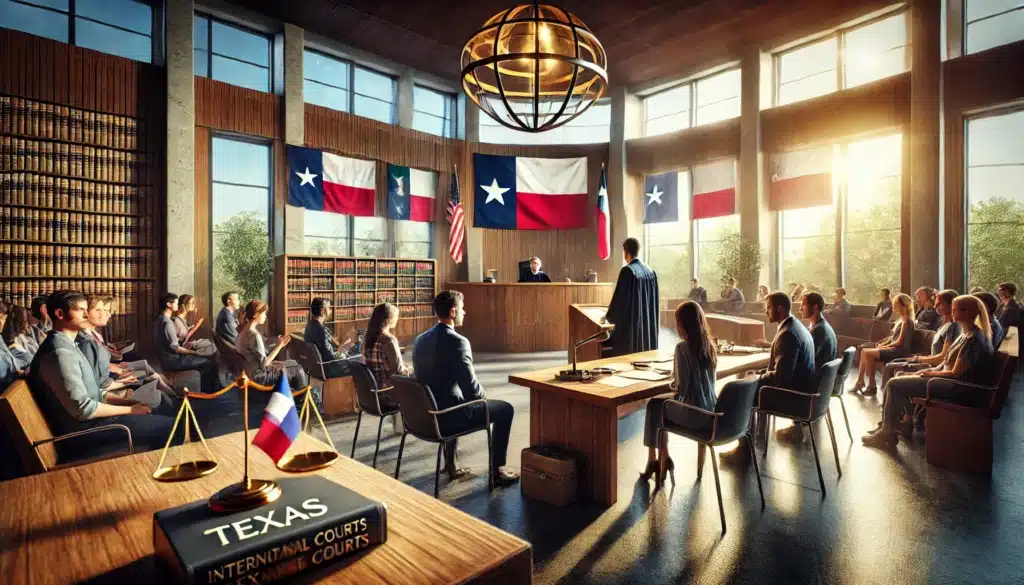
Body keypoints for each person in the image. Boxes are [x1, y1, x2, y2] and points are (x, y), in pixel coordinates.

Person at [27, 290, 181, 455]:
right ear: (59, 313)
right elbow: (84, 410)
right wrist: (130, 410)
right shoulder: (59, 353)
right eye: (80, 310)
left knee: (158, 412)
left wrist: (129, 403)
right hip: (82, 433)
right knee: (172, 428)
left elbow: (95, 393)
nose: (87, 314)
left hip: (91, 423)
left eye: (87, 309)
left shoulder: (69, 345)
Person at [413, 290, 519, 487]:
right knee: (505, 409)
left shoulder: (420, 340)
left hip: (424, 416)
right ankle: (496, 472)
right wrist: (483, 399)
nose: (465, 312)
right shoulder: (458, 342)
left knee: (451, 396)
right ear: (453, 312)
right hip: (449, 418)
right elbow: (472, 391)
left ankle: (450, 465)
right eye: (462, 309)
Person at [863, 295, 994, 449]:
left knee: (893, 384)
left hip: (957, 388)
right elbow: (946, 363)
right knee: (899, 375)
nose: (952, 311)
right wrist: (929, 369)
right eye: (952, 308)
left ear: (969, 312)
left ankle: (887, 433)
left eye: (956, 309)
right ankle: (895, 426)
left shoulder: (973, 340)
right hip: (948, 382)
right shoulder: (966, 334)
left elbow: (954, 373)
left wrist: (927, 374)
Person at [720, 292, 816, 463]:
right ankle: (755, 439)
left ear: (779, 309)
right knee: (751, 381)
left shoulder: (787, 334)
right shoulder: (796, 327)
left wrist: (757, 378)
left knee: (744, 391)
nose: (766, 312)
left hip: (794, 399)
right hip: (803, 392)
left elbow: (781, 379)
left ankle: (744, 450)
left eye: (769, 308)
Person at [640, 301, 717, 487]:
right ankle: (662, 458)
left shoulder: (682, 348)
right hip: (711, 413)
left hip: (693, 414)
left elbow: (681, 388)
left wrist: (671, 381)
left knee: (654, 405)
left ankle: (656, 459)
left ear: (683, 324)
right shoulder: (710, 346)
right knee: (658, 405)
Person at [77, 295, 174, 397]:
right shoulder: (85, 341)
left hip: (110, 375)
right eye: (98, 310)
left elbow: (99, 364)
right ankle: (175, 396)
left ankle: (173, 394)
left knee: (150, 373)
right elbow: (97, 380)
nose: (108, 315)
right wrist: (121, 376)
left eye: (106, 310)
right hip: (108, 381)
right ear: (86, 312)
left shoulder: (91, 336)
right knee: (151, 376)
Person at [882, 289, 960, 387]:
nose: (935, 306)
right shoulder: (942, 326)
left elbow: (942, 358)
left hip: (935, 367)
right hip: (932, 363)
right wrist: (921, 357)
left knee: (893, 368)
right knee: (894, 364)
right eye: (936, 302)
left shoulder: (953, 327)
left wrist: (918, 359)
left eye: (940, 303)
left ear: (951, 305)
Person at [603, 238, 659, 357]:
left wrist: (608, 316)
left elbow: (619, 302)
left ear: (626, 252)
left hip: (633, 330)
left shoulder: (628, 271)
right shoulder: (650, 271)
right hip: (646, 329)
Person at [235, 300, 308, 389]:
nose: (265, 316)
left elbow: (257, 353)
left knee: (292, 362)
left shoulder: (243, 332)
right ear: (255, 315)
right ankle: (302, 399)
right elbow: (265, 363)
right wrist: (279, 346)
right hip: (260, 377)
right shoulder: (254, 335)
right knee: (298, 369)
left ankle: (288, 396)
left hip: (250, 373)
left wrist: (277, 343)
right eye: (264, 313)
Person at [853, 293, 915, 395]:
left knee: (867, 353)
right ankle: (861, 382)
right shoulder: (901, 319)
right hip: (896, 349)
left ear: (902, 305)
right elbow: (893, 337)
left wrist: (884, 346)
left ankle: (871, 386)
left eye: (895, 303)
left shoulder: (906, 321)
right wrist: (883, 343)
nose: (893, 306)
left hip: (899, 351)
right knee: (864, 351)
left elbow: (899, 342)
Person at [153, 293, 218, 390]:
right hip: (173, 361)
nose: (178, 305)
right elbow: (176, 348)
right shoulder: (167, 323)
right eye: (176, 302)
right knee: (209, 362)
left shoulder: (160, 319)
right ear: (169, 304)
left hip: (166, 359)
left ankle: (207, 390)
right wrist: (196, 353)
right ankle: (209, 393)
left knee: (206, 359)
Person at [364, 302, 412, 390]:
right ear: (389, 319)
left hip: (374, 390)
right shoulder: (389, 340)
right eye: (396, 316)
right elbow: (399, 372)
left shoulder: (367, 338)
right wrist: (411, 369)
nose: (397, 318)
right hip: (390, 390)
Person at [304, 297, 354, 377]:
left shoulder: (310, 325)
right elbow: (330, 356)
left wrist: (341, 347)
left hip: (314, 368)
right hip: (328, 367)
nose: (330, 311)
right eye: (329, 308)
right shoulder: (320, 330)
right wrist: (345, 350)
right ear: (322, 311)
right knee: (357, 360)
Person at [2, 305, 39, 372]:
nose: (25, 325)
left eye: (25, 322)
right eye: (20, 322)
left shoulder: (28, 335)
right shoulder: (9, 341)